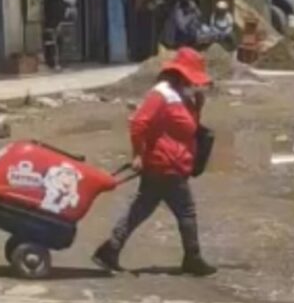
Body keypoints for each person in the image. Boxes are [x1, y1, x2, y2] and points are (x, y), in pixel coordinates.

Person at [92, 47, 217, 277]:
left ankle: (109, 250)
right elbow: (139, 123)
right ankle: (193, 258)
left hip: (170, 165)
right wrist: (138, 154)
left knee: (140, 209)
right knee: (186, 211)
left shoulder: (182, 95)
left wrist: (197, 105)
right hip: (165, 165)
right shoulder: (161, 94)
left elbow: (189, 128)